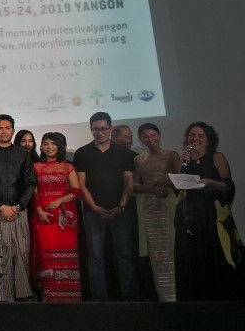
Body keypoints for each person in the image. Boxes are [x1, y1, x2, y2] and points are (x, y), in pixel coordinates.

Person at [174, 121, 243, 300]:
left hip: (212, 216)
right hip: (189, 217)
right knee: (192, 259)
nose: (195, 138)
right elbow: (180, 189)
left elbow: (228, 186)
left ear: (208, 140)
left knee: (216, 256)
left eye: (200, 135)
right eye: (192, 135)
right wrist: (170, 180)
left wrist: (210, 183)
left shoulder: (216, 157)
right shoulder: (184, 159)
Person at [73, 112, 138, 301]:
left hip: (121, 212)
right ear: (91, 129)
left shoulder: (123, 153)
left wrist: (121, 206)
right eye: (95, 129)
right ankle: (99, 300)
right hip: (93, 214)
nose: (100, 132)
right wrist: (94, 207)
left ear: (110, 128)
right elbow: (81, 184)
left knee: (125, 256)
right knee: (95, 258)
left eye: (103, 128)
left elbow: (129, 182)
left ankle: (130, 298)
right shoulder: (83, 153)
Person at [0, 114, 36, 302]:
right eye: (0, 128)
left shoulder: (23, 155)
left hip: (19, 210)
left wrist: (17, 206)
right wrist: (1, 206)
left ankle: (23, 295)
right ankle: (1, 298)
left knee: (21, 253)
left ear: (12, 130)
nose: (3, 131)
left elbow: (30, 183)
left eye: (7, 128)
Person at [30, 132, 82, 302]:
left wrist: (60, 199)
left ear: (60, 147)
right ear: (41, 147)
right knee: (47, 258)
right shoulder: (36, 167)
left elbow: (76, 191)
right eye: (46, 143)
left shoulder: (68, 167)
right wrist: (38, 211)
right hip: (43, 215)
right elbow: (33, 191)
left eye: (53, 144)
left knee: (67, 256)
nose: (49, 147)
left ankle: (70, 298)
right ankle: (50, 297)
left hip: (64, 217)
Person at [132, 122, 180, 301]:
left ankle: (177, 294)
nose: (150, 139)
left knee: (172, 249)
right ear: (141, 139)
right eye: (145, 136)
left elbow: (181, 181)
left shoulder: (171, 155)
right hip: (149, 208)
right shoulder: (139, 159)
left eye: (153, 135)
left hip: (168, 205)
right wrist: (150, 189)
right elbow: (134, 185)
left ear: (159, 136)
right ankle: (165, 297)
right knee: (156, 253)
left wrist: (167, 183)